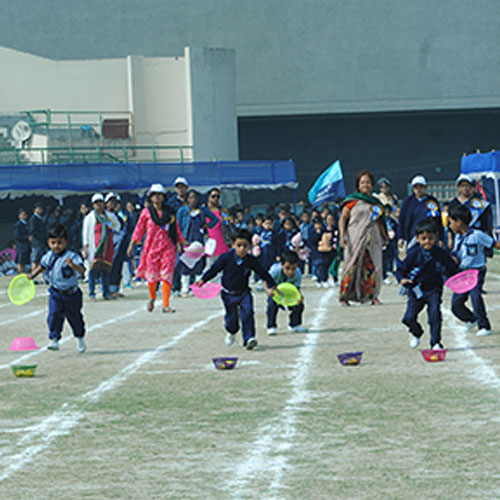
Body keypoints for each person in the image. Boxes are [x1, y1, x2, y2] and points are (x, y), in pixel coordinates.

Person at [197, 229, 277, 350]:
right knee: (231, 319)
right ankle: (232, 331)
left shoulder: (251, 260)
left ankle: (249, 338)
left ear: (249, 246)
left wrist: (272, 284)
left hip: (244, 293)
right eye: (239, 245)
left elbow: (262, 272)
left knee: (248, 313)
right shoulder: (225, 258)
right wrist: (203, 279)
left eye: (245, 246)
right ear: (233, 245)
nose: (242, 249)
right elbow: (214, 269)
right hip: (228, 294)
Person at [396, 219, 458, 350]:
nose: (427, 241)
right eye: (423, 238)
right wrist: (402, 279)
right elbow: (401, 270)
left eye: (430, 238)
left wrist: (459, 277)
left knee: (434, 315)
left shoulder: (441, 253)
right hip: (416, 290)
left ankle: (436, 342)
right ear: (417, 239)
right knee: (408, 318)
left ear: (436, 237)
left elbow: (452, 268)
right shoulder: (413, 254)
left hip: (434, 289)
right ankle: (416, 332)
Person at [27, 224, 86, 353]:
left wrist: (73, 265)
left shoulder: (72, 256)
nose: (56, 246)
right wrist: (33, 275)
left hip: (72, 294)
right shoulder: (48, 256)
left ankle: (80, 337)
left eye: (60, 242)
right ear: (48, 242)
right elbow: (42, 266)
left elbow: (82, 270)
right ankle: (54, 339)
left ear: (66, 242)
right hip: (56, 293)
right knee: (54, 314)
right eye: (53, 243)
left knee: (75, 317)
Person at [127, 183, 184, 313]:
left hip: (168, 246)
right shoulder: (146, 213)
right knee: (152, 276)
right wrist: (132, 244)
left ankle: (166, 304)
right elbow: (139, 229)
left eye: (159, 195)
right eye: (154, 195)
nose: (157, 197)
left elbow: (176, 229)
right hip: (151, 248)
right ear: (151, 197)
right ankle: (152, 297)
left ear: (163, 197)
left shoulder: (170, 212)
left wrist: (181, 243)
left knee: (167, 275)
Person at [449, 205, 500, 337]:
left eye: (451, 222)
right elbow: (456, 254)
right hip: (462, 272)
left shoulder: (477, 235)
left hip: (476, 271)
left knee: (475, 297)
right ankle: (471, 319)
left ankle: (484, 326)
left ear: (459, 222)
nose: (450, 226)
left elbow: (494, 244)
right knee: (456, 304)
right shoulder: (458, 237)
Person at [338, 170, 388, 305]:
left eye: (368, 182)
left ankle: (373, 296)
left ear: (372, 184)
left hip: (373, 237)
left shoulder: (376, 203)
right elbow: (343, 219)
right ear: (358, 185)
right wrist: (342, 236)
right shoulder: (352, 201)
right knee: (351, 265)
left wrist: (384, 237)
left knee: (375, 266)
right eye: (362, 182)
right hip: (354, 236)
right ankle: (345, 296)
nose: (365, 185)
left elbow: (380, 221)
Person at [177, 189, 218, 296]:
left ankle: (197, 288)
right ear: (187, 199)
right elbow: (177, 227)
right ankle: (185, 289)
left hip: (199, 239)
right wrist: (179, 242)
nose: (193, 200)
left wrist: (207, 226)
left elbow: (215, 219)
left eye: (195, 197)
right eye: (191, 197)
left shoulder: (202, 210)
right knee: (185, 264)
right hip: (187, 240)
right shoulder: (182, 210)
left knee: (199, 265)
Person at [82, 193, 121, 301]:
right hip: (95, 247)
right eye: (96, 203)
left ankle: (106, 292)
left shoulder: (108, 216)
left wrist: (112, 232)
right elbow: (85, 234)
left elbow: (117, 226)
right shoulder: (89, 218)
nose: (99, 205)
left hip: (107, 247)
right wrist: (86, 248)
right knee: (93, 271)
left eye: (100, 202)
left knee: (106, 271)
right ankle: (92, 293)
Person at [397, 175, 442, 259]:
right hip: (412, 236)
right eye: (416, 187)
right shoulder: (407, 202)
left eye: (421, 186)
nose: (418, 189)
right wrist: (400, 237)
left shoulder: (432, 201)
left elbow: (438, 221)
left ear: (425, 187)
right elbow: (402, 220)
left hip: (429, 237)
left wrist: (440, 238)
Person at [265, 250, 308, 335]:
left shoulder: (298, 273)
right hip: (275, 292)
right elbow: (265, 281)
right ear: (282, 265)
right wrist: (268, 290)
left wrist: (300, 296)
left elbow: (297, 288)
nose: (290, 271)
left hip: (289, 293)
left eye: (293, 268)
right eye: (287, 268)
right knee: (271, 305)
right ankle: (271, 326)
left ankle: (294, 325)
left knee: (299, 305)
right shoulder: (275, 270)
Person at [204, 188, 231, 270]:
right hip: (209, 245)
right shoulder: (203, 211)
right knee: (210, 269)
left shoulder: (223, 211)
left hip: (222, 245)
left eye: (218, 196)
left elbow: (227, 226)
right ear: (209, 197)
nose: (215, 198)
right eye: (213, 196)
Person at [29, 202, 47, 274]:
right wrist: (39, 238)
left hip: (42, 242)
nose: (40, 210)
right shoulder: (33, 219)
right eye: (38, 208)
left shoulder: (41, 218)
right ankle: (33, 275)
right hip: (36, 242)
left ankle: (42, 275)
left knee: (42, 260)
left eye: (41, 208)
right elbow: (33, 231)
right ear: (35, 209)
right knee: (35, 260)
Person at [13, 208, 31, 274]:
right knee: (20, 261)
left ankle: (23, 273)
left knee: (25, 261)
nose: (24, 216)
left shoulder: (27, 224)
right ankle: (20, 273)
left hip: (27, 245)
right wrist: (26, 238)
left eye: (25, 214)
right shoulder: (18, 225)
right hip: (21, 245)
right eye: (22, 214)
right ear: (19, 215)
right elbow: (17, 236)